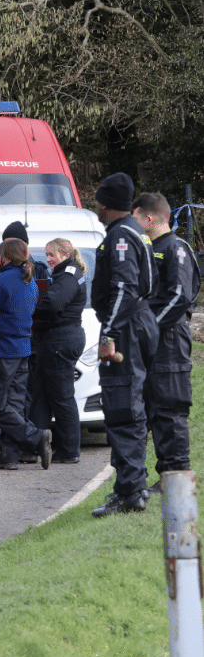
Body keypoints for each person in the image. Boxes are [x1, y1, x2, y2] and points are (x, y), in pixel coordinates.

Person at [90, 173, 158, 517]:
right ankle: (133, 486)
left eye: (98, 199)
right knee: (133, 406)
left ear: (107, 203)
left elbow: (122, 289)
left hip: (126, 329)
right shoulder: (137, 233)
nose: (95, 204)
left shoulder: (120, 236)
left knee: (122, 408)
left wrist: (108, 334)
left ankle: (130, 492)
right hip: (139, 323)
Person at [132, 191, 200, 484]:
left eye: (135, 217)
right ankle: (158, 477)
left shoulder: (176, 248)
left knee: (170, 409)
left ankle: (175, 478)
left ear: (149, 217)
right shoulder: (148, 247)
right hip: (150, 341)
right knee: (153, 409)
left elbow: (180, 297)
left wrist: (151, 327)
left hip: (169, 340)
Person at [0, 238, 52, 470]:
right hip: (22, 351)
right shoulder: (31, 283)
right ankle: (10, 456)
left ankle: (36, 437)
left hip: (0, 351)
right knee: (14, 405)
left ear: (3, 256)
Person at [30, 238, 88, 464]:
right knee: (43, 394)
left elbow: (53, 305)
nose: (48, 259)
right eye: (46, 255)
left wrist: (30, 310)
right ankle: (40, 445)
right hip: (56, 339)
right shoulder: (66, 274)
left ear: (64, 255)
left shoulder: (67, 276)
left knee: (62, 396)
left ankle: (69, 450)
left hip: (60, 339)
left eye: (52, 255)